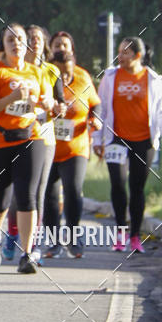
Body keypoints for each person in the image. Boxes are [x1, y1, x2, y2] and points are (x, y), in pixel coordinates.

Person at [0, 23, 52, 274]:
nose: (16, 43)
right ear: (4, 45)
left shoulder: (37, 73)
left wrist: (44, 104)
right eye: (11, 39)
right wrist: (11, 99)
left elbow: (45, 104)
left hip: (30, 138)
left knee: (27, 195)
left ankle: (27, 253)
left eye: (20, 38)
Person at [92, 37, 162, 253]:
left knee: (137, 188)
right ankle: (120, 233)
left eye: (125, 52)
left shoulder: (153, 79)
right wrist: (97, 140)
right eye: (119, 52)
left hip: (144, 142)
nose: (120, 56)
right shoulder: (110, 77)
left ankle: (135, 236)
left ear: (138, 55)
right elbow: (102, 109)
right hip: (116, 139)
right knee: (118, 184)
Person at [44, 50, 100, 259]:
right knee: (49, 195)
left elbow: (95, 103)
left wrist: (96, 118)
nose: (66, 77)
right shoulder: (44, 77)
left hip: (76, 146)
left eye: (69, 72)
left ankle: (74, 238)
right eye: (62, 74)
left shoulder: (83, 77)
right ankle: (53, 241)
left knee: (73, 191)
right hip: (48, 145)